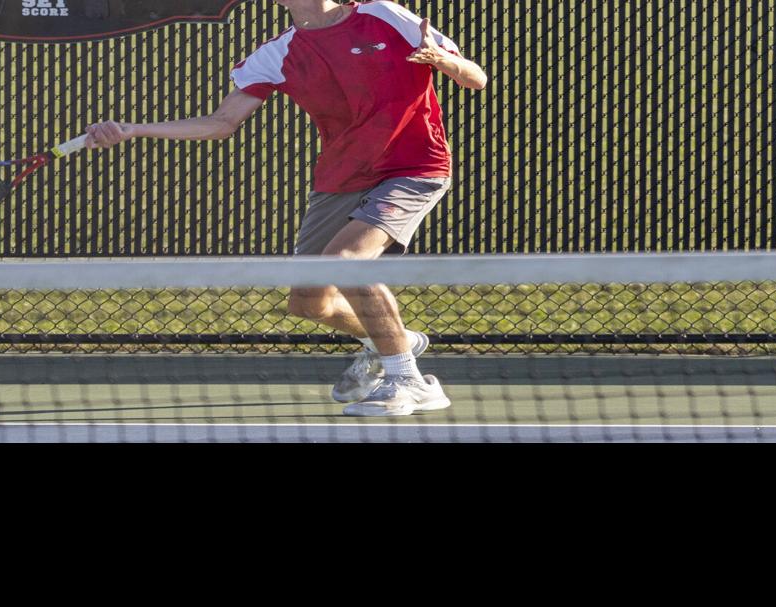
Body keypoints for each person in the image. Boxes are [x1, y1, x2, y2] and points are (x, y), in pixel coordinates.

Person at [85, 0, 488, 417]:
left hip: (414, 167)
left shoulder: (385, 15)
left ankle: (409, 380)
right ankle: (390, 339)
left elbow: (476, 79)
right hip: (341, 177)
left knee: (346, 263)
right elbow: (222, 123)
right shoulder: (277, 53)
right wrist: (133, 130)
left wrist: (443, 61)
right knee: (309, 302)